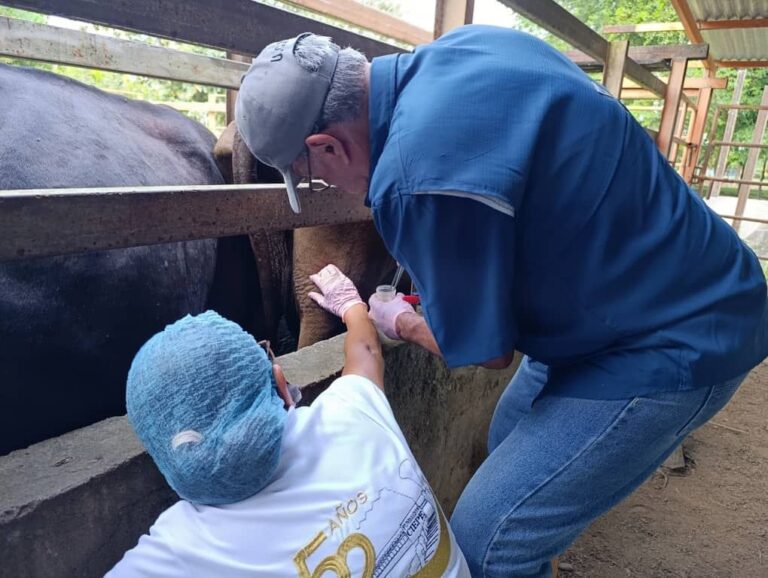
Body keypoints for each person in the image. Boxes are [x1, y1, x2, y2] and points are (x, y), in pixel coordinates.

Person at [234, 26, 768, 577]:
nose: (329, 187)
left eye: (313, 176)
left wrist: (402, 321)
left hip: (675, 336)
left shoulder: (412, 181)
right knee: (507, 430)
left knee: (489, 541)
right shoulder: (471, 44)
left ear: (327, 147)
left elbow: (488, 353)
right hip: (641, 289)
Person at [107, 265, 469, 577]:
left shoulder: (180, 548)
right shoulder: (352, 410)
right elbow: (367, 351)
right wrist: (352, 306)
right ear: (281, 385)